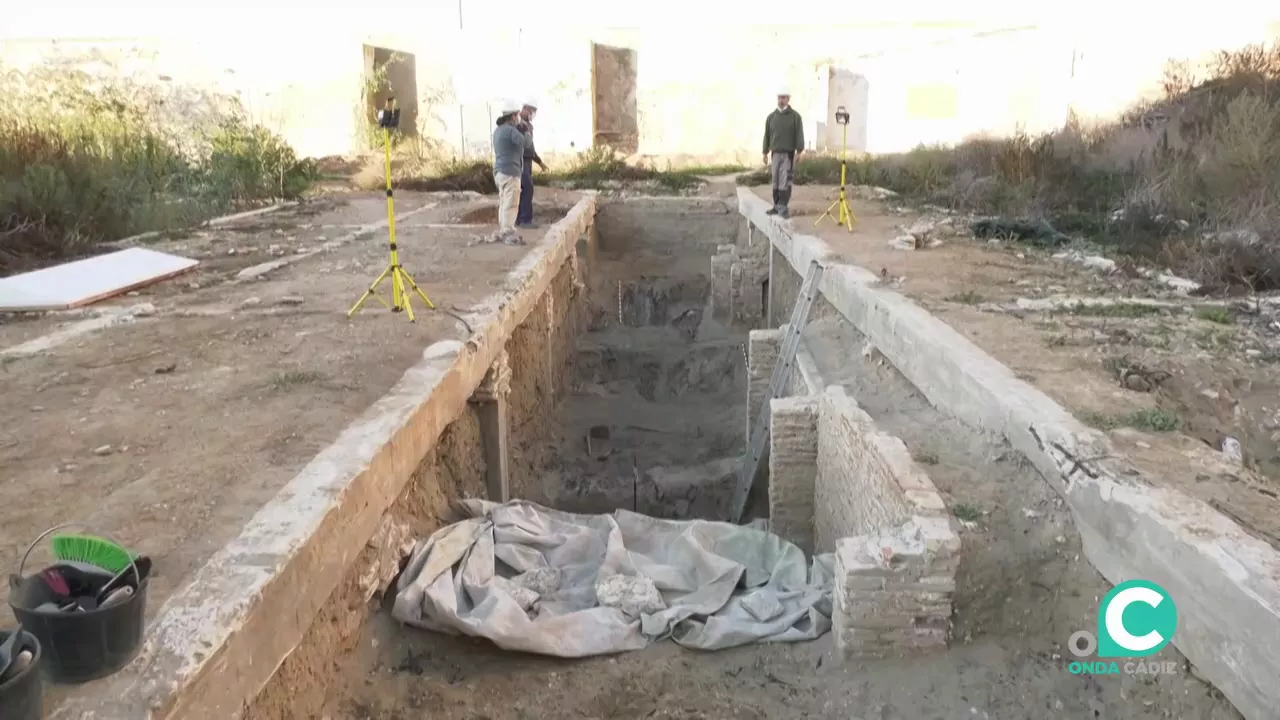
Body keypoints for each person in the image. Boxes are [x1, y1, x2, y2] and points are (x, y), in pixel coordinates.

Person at [762, 88, 804, 219]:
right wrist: (765, 152)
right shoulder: (771, 117)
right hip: (775, 154)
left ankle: (783, 207)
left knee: (785, 181)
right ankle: (776, 205)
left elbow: (799, 134)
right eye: (780, 97)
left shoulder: (795, 117)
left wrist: (799, 151)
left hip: (788, 154)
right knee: (775, 180)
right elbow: (767, 135)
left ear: (788, 99)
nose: (782, 100)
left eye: (784, 97)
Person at [491, 100, 526, 244]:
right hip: (510, 172)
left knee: (504, 202)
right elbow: (526, 143)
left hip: (500, 172)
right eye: (517, 115)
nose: (518, 118)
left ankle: (503, 229)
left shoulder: (498, 130)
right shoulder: (511, 131)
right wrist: (525, 130)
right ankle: (508, 232)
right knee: (511, 203)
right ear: (513, 116)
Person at [516, 97, 548, 229]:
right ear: (525, 109)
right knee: (527, 188)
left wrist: (539, 162)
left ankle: (519, 219)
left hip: (528, 160)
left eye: (533, 112)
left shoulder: (529, 126)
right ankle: (525, 220)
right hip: (520, 160)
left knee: (524, 189)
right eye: (531, 111)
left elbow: (531, 148)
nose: (531, 114)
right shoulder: (518, 124)